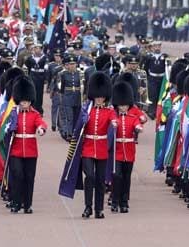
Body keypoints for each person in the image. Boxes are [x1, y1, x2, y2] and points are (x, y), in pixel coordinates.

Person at [7, 77, 47, 214]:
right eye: (23, 101)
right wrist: (10, 127)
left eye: (27, 101)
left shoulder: (34, 114)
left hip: (30, 150)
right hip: (16, 150)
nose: (25, 103)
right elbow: (8, 127)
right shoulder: (13, 113)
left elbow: (40, 122)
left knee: (29, 178)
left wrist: (41, 129)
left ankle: (27, 204)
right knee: (17, 175)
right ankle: (16, 202)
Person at [79, 73, 116, 219]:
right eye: (97, 96)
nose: (99, 99)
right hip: (88, 147)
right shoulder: (87, 109)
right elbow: (79, 125)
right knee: (90, 176)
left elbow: (114, 118)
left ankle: (99, 209)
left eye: (102, 97)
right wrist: (83, 120)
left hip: (101, 147)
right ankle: (88, 207)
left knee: (100, 180)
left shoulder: (109, 111)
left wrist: (114, 123)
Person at [110, 81, 145, 214]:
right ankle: (114, 201)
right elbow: (111, 123)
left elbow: (137, 124)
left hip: (129, 151)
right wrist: (112, 125)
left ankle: (124, 202)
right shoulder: (114, 116)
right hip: (118, 151)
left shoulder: (132, 117)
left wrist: (138, 128)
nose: (123, 107)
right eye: (121, 105)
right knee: (116, 176)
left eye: (125, 105)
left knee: (126, 177)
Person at [59, 54, 82, 142]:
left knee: (77, 116)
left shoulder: (80, 74)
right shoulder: (64, 74)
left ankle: (76, 133)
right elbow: (62, 88)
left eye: (73, 64)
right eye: (70, 64)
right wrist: (62, 97)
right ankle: (69, 134)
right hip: (68, 97)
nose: (72, 66)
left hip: (77, 97)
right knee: (69, 117)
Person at [24, 43, 48, 114]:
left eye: (38, 48)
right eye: (35, 48)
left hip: (40, 77)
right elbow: (27, 67)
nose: (37, 50)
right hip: (32, 76)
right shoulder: (30, 58)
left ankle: (39, 109)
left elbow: (46, 69)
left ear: (41, 49)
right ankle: (32, 107)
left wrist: (45, 78)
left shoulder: (45, 58)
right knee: (32, 92)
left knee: (39, 93)